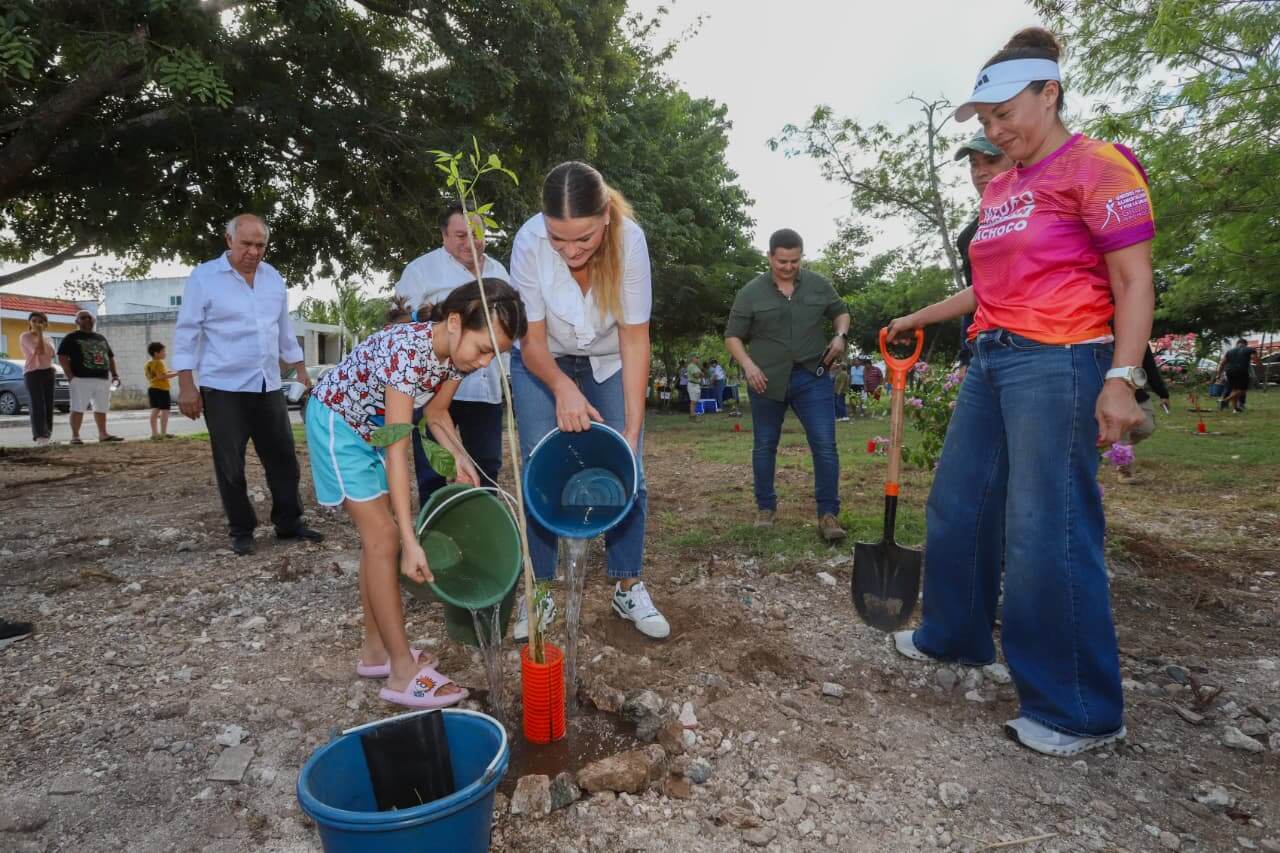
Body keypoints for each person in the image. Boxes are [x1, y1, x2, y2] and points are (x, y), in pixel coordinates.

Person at [886, 27, 1155, 757]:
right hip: (992, 357)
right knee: (958, 502)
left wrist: (1122, 377)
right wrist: (926, 316)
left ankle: (1079, 708)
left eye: (1007, 112)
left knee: (1048, 528)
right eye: (986, 119)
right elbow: (992, 282)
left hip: (1062, 358)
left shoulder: (1099, 167)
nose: (996, 128)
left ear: (1050, 92)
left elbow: (1133, 280)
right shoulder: (1005, 184)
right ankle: (955, 635)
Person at [306, 279, 525, 709]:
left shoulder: (456, 358)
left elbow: (438, 413)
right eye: (483, 349)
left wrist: (462, 459)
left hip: (370, 435)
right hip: (339, 427)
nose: (484, 363)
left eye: (494, 356)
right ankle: (402, 671)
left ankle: (375, 653)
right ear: (456, 323)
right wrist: (411, 542)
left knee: (378, 543)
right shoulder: (407, 355)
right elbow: (398, 448)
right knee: (386, 540)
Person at [508, 160, 670, 641]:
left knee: (630, 468)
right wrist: (561, 387)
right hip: (542, 362)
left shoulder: (630, 241)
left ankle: (627, 583)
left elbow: (635, 339)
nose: (570, 250)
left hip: (609, 361)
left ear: (604, 219)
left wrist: (633, 432)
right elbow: (531, 341)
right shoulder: (528, 243)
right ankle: (538, 591)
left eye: (583, 239)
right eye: (559, 239)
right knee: (538, 468)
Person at [174, 213, 324, 556]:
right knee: (230, 464)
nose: (254, 252)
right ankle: (241, 529)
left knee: (284, 459)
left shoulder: (273, 279)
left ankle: (289, 523)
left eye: (260, 245)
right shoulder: (205, 277)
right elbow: (187, 332)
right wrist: (187, 385)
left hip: (267, 384)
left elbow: (284, 331)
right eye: (246, 244)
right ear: (229, 241)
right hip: (222, 386)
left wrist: (300, 370)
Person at [725, 228, 851, 542]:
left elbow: (841, 313)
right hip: (765, 379)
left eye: (794, 261)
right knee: (765, 445)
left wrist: (840, 336)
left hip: (813, 377)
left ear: (801, 257)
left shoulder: (819, 284)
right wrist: (748, 365)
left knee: (824, 445)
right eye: (782, 261)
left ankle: (828, 514)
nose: (788, 267)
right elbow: (732, 336)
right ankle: (765, 508)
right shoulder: (751, 292)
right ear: (770, 257)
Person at [395, 203, 512, 506]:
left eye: (476, 234)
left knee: (486, 466)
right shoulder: (421, 271)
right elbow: (397, 324)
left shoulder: (499, 271)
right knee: (433, 468)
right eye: (460, 235)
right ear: (444, 236)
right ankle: (434, 533)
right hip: (435, 388)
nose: (470, 242)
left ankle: (483, 530)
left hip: (485, 390)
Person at [953, 130, 1014, 378]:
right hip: (990, 352)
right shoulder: (969, 236)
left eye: (991, 161)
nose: (980, 172)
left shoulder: (1047, 210)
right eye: (974, 164)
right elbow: (976, 299)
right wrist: (965, 355)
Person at [57, 310, 123, 445]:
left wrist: (115, 374)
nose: (87, 319)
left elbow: (110, 357)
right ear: (77, 322)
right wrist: (70, 376)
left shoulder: (101, 338)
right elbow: (62, 357)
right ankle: (75, 436)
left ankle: (103, 434)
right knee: (77, 408)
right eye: (83, 318)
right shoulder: (71, 337)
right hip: (80, 379)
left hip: (102, 379)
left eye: (89, 317)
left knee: (101, 408)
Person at [1116, 347, 1170, 483]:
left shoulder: (1140, 340)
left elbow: (1150, 368)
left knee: (1147, 427)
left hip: (1138, 394)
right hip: (1113, 393)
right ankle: (1124, 471)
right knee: (1122, 433)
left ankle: (1118, 448)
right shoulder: (1104, 336)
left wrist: (1163, 393)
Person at [19, 311, 56, 445]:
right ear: (29, 323)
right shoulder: (25, 336)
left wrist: (42, 335)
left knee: (48, 404)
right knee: (37, 404)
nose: (36, 323)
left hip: (48, 372)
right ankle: (40, 437)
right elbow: (39, 351)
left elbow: (51, 355)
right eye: (33, 321)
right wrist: (39, 334)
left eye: (40, 321)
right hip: (33, 373)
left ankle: (47, 436)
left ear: (45, 324)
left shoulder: (49, 338)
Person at [145, 342, 177, 440]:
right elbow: (161, 376)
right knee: (165, 411)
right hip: (161, 389)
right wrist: (178, 374)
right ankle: (163, 433)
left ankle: (155, 433)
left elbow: (157, 374)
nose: (165, 353)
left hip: (152, 388)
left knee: (155, 410)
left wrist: (172, 372)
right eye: (163, 351)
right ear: (156, 353)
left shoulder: (148, 363)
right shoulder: (159, 362)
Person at [1217, 338, 1259, 413]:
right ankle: (1225, 401)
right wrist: (1260, 365)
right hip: (1241, 371)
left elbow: (1223, 363)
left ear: (1237, 344)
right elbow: (1254, 358)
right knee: (1242, 390)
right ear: (1246, 344)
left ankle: (1235, 408)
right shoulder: (1249, 349)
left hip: (1229, 372)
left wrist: (1219, 373)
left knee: (1234, 389)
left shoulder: (1230, 351)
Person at [685, 355, 704, 420]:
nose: (698, 359)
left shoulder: (696, 366)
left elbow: (702, 374)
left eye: (698, 358)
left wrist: (700, 374)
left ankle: (693, 414)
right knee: (693, 401)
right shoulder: (691, 366)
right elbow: (696, 375)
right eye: (697, 358)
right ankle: (692, 416)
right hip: (692, 384)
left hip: (697, 385)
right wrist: (700, 374)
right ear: (693, 358)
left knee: (695, 401)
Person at [833, 356, 850, 421]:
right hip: (837, 391)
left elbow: (842, 383)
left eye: (839, 366)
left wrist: (839, 391)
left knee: (839, 404)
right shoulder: (840, 373)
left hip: (840, 391)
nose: (838, 367)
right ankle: (839, 416)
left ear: (842, 367)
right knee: (838, 403)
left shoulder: (843, 374)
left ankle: (844, 416)